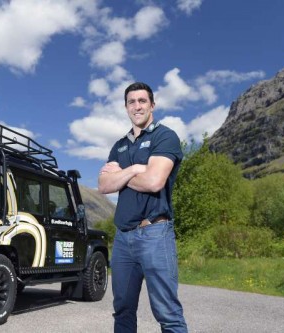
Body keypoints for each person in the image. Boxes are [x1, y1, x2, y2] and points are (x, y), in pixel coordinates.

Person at [98, 82, 187, 333]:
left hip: (155, 234)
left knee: (168, 313)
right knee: (123, 311)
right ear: (126, 107)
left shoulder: (164, 136)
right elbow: (104, 185)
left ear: (152, 105)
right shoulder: (119, 145)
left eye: (142, 101)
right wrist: (137, 169)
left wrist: (123, 175)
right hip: (123, 239)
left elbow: (154, 181)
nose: (137, 106)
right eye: (131, 102)